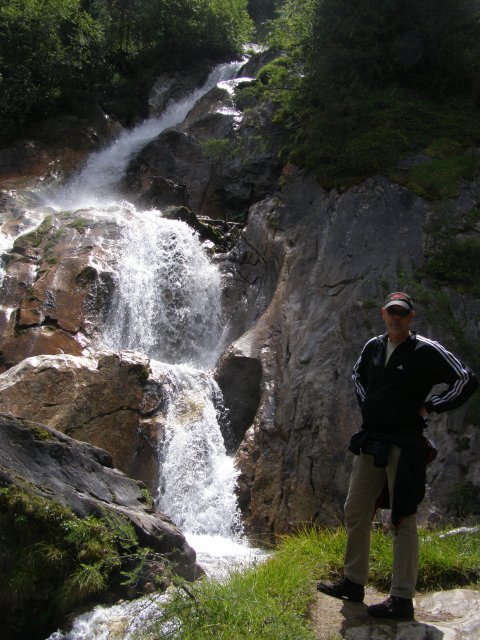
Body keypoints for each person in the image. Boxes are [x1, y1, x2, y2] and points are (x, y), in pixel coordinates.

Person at [317, 291, 479, 620]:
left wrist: (430, 406)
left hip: (405, 443)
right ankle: (353, 582)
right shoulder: (373, 347)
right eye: (391, 312)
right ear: (383, 314)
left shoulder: (426, 350)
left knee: (402, 517)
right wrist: (369, 404)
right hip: (372, 439)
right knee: (356, 510)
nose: (396, 318)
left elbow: (466, 379)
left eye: (402, 313)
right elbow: (357, 376)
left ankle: (402, 598)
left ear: (410, 318)